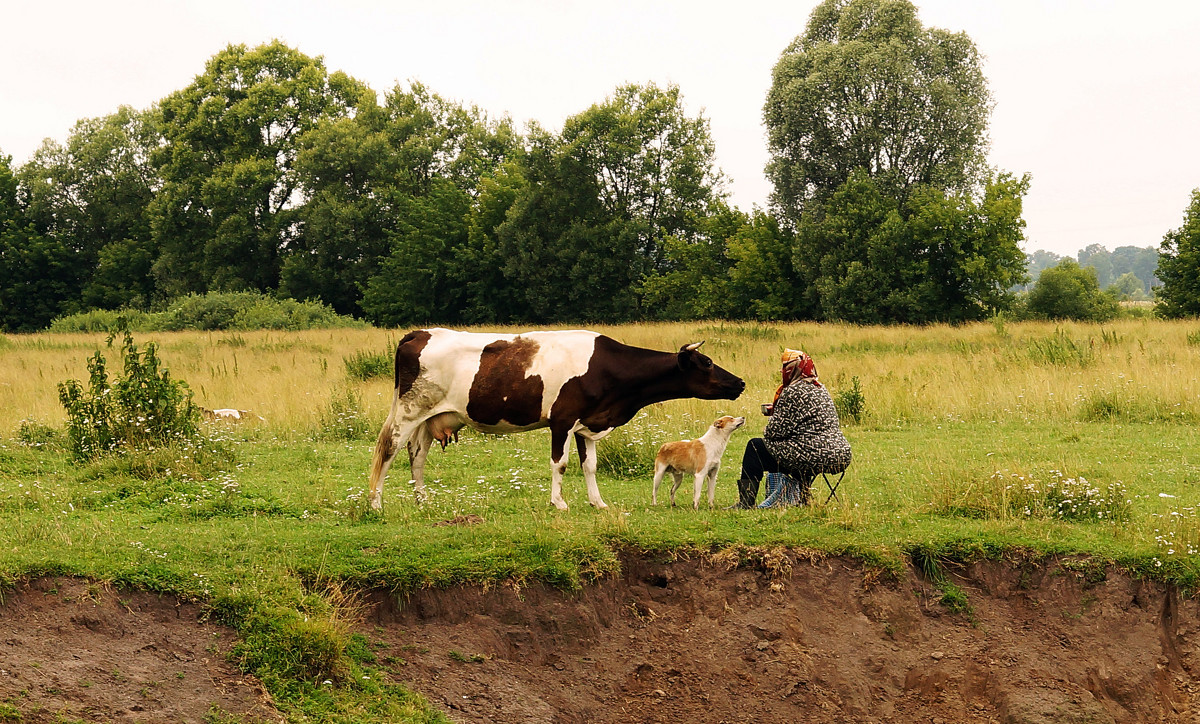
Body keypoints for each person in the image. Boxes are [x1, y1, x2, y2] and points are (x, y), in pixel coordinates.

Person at [729, 349, 852, 509]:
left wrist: (774, 415)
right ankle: (802, 497)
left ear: (794, 370)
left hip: (811, 455)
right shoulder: (820, 388)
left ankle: (746, 503)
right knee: (802, 448)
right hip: (839, 454)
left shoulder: (791, 391)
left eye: (786, 367)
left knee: (755, 447)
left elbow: (774, 433)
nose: (782, 371)